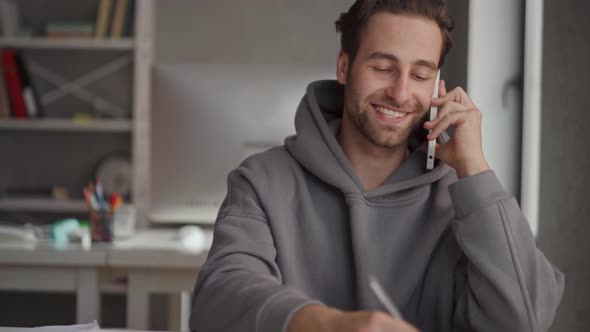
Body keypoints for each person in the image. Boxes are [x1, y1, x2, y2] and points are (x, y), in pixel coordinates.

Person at [189, 1, 564, 331]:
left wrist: (476, 170)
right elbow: (219, 298)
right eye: (383, 67)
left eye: (420, 75)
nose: (400, 93)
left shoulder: (462, 201)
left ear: (437, 87)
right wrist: (325, 325)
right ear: (344, 67)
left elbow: (524, 319)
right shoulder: (262, 181)